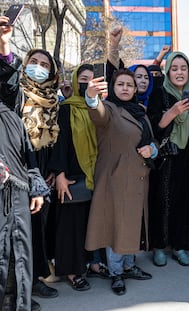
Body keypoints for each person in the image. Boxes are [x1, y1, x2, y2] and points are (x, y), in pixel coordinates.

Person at [84, 68, 155, 295]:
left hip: (138, 177)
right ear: (113, 88)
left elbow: (151, 139)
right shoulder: (110, 110)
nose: (125, 88)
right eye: (120, 84)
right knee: (116, 226)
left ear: (135, 89)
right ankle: (116, 273)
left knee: (133, 223)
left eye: (129, 85)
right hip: (115, 179)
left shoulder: (141, 113)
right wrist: (92, 97)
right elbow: (97, 113)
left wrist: (152, 149)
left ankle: (129, 265)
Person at [0, 14, 49, 311]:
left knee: (20, 252)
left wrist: (34, 184)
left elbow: (26, 147)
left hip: (17, 185)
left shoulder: (9, 108)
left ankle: (20, 302)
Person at [48, 64, 111, 292]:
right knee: (71, 226)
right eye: (83, 79)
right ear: (76, 82)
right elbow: (60, 143)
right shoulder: (66, 108)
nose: (88, 83)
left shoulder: (102, 108)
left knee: (93, 222)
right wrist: (61, 175)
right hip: (73, 176)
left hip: (98, 174)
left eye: (93, 80)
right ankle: (73, 271)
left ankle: (94, 263)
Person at [147, 51, 189, 267]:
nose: (179, 72)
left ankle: (180, 246)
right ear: (168, 72)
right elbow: (154, 126)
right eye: (174, 68)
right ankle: (159, 247)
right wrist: (173, 112)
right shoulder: (160, 93)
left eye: (183, 68)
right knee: (162, 201)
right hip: (166, 157)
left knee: (186, 202)